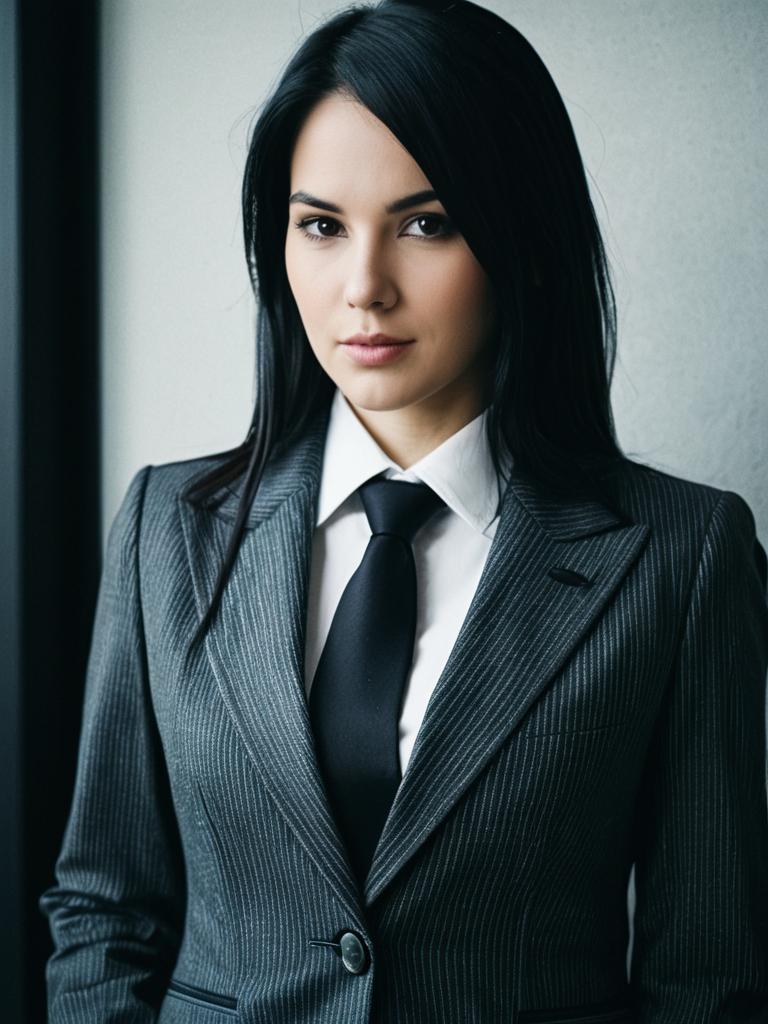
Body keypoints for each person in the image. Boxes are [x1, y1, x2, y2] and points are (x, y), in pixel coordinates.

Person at [40, 1, 768, 1021]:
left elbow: (708, 978)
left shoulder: (682, 557)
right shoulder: (168, 527)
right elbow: (105, 910)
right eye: (321, 226)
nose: (364, 288)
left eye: (427, 224)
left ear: (525, 240)